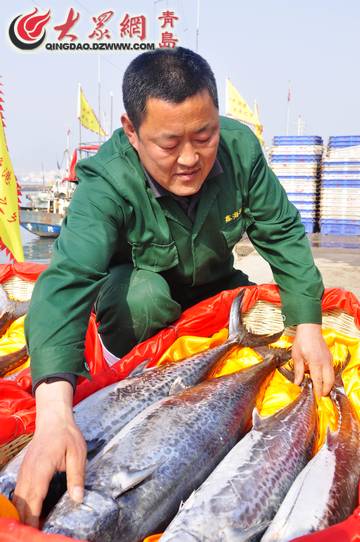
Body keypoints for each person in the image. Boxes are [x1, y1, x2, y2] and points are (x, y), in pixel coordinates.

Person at [14, 47, 334, 526]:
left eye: (204, 135)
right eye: (168, 144)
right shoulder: (106, 179)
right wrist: (55, 415)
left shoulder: (240, 149)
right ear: (131, 131)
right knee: (140, 297)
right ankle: (152, 378)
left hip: (214, 288)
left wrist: (307, 323)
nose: (190, 158)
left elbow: (284, 234)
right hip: (141, 299)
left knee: (263, 318)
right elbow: (67, 282)